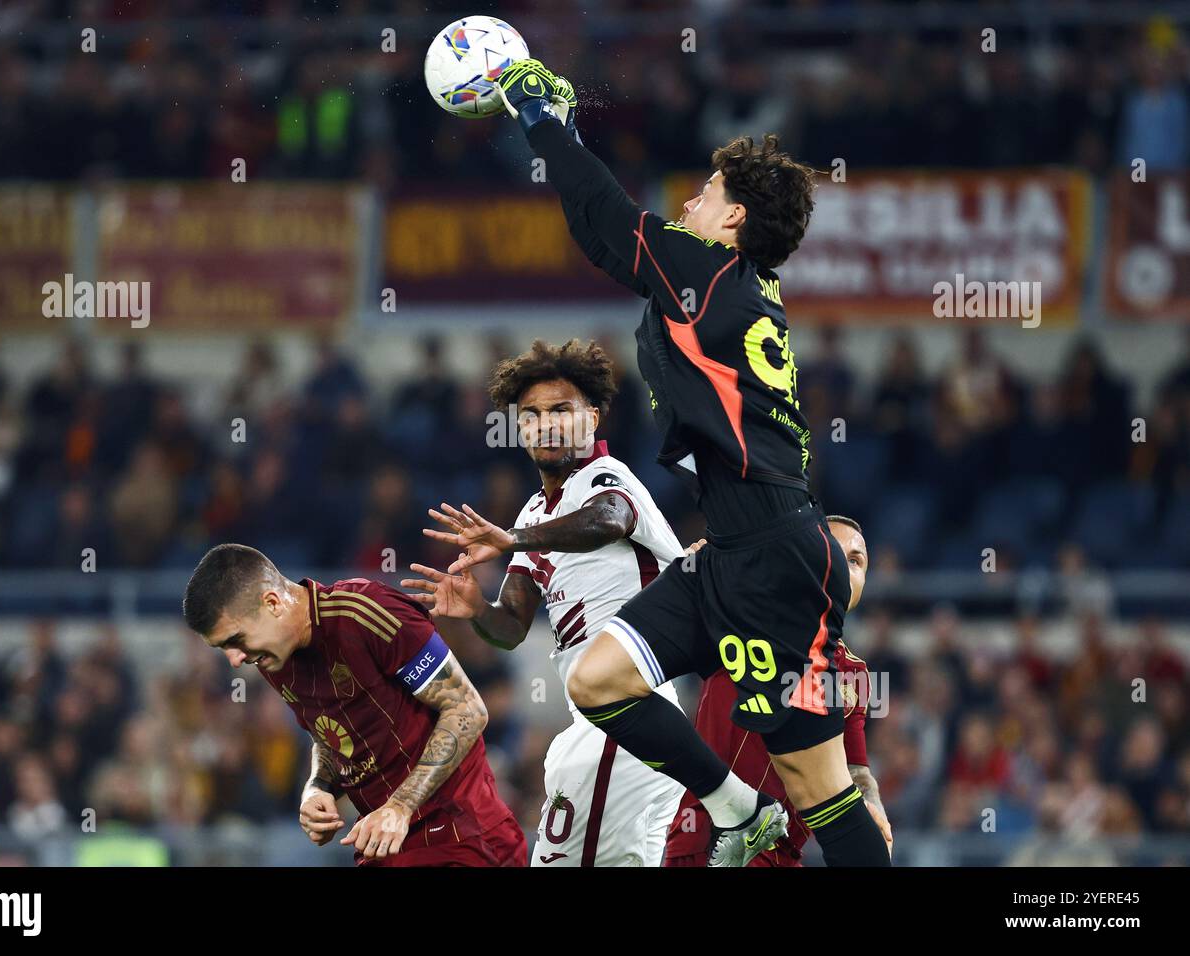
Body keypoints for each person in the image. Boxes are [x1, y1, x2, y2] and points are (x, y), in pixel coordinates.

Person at [477, 59, 890, 865]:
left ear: (733, 218)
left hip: (776, 561)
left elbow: (606, 223)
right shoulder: (731, 290)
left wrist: (539, 120)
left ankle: (759, 814)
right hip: (732, 554)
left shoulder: (713, 275)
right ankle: (738, 810)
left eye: (704, 192)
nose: (690, 202)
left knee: (823, 796)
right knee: (595, 683)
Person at [403, 339, 685, 866]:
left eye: (561, 410)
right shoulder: (535, 513)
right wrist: (476, 609)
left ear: (592, 417)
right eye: (530, 415)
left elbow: (608, 521)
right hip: (606, 721)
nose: (545, 424)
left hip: (626, 712)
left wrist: (512, 541)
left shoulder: (604, 477)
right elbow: (510, 626)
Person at [181, 543, 526, 866]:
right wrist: (317, 789)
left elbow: (466, 709)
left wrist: (400, 807)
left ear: (273, 603)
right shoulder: (275, 659)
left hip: (462, 838)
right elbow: (330, 737)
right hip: (381, 846)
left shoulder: (366, 613)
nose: (235, 660)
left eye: (235, 640)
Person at [664, 517, 893, 865]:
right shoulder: (740, 616)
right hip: (708, 842)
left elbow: (855, 768)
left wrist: (871, 804)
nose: (846, 567)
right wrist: (691, 571)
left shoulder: (854, 675)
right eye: (832, 549)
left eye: (857, 560)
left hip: (783, 856)